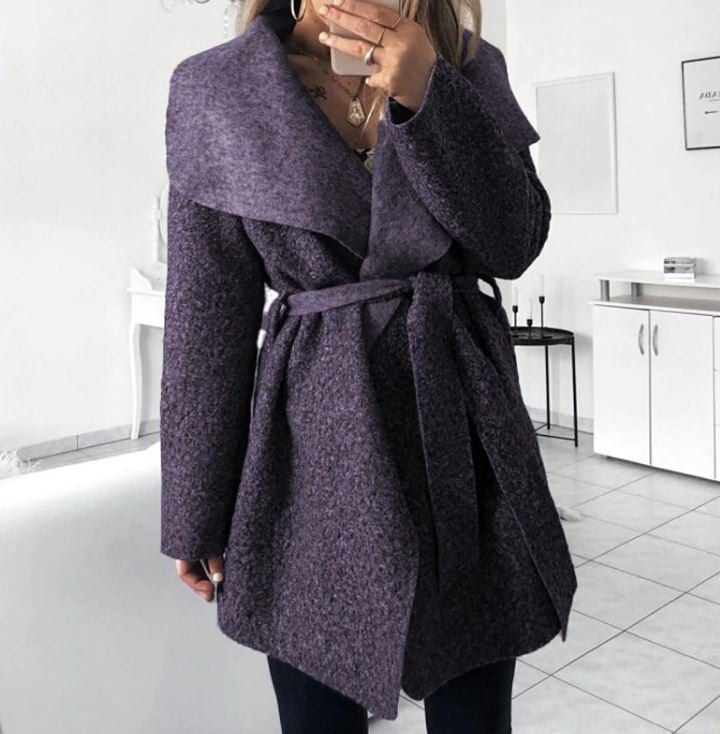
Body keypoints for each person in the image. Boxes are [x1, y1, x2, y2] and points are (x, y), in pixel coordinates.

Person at [159, 0, 578, 730]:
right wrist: (195, 509)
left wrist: (430, 97)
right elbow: (206, 316)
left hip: (463, 428)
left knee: (475, 709)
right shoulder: (220, 86)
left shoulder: (468, 66)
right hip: (314, 445)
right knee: (316, 706)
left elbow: (515, 243)